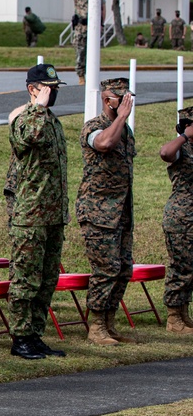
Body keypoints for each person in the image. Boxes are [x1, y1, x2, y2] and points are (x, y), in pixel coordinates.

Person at [6, 64, 69, 360]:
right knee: (26, 279)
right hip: (30, 214)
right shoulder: (24, 119)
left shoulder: (51, 120)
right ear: (33, 89)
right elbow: (25, 140)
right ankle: (20, 337)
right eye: (48, 87)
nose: (52, 92)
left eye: (54, 88)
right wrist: (38, 108)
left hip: (53, 212)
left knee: (46, 280)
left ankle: (35, 334)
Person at [77, 78, 137, 345]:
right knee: (106, 268)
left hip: (121, 212)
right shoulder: (94, 127)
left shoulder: (125, 131)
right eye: (119, 98)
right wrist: (121, 117)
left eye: (127, 97)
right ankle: (97, 326)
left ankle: (109, 322)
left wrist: (122, 121)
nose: (125, 102)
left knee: (123, 269)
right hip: (98, 213)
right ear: (107, 99)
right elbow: (103, 144)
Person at [157, 107, 193, 335]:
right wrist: (185, 136)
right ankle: (173, 317)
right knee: (182, 267)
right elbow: (165, 153)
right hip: (182, 217)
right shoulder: (183, 148)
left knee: (191, 268)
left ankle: (183, 314)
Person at [59, 0, 89, 84]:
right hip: (80, 26)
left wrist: (101, 24)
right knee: (79, 50)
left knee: (91, 52)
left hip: (92, 26)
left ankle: (91, 75)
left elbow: (102, 8)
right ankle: (81, 75)